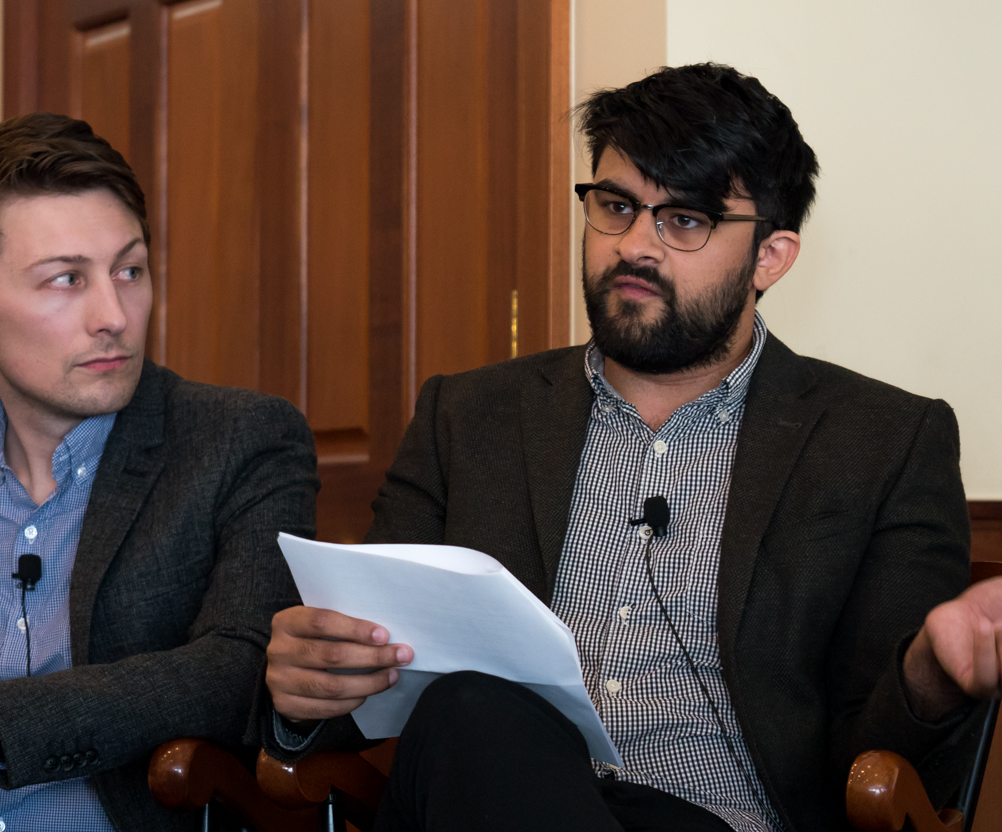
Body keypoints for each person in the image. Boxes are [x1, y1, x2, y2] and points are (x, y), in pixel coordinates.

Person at [263, 64, 998, 831]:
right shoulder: (469, 415)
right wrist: (306, 690)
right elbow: (368, 678)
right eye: (616, 206)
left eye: (684, 219)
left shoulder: (882, 441)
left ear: (770, 257)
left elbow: (883, 772)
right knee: (472, 709)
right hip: (493, 789)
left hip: (716, 821)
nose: (635, 246)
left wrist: (934, 676)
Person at [0, 114, 318, 832]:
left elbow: (233, 672)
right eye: (66, 280)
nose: (114, 315)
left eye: (129, 271)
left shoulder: (241, 440)